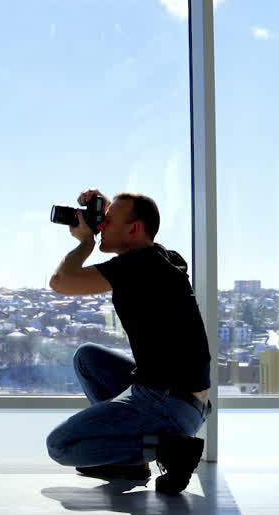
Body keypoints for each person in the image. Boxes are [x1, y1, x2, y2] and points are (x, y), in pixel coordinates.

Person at [44, 189, 210, 494]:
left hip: (166, 401)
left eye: (107, 221)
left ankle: (168, 448)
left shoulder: (140, 265)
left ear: (134, 228)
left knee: (60, 446)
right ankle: (129, 462)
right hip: (188, 402)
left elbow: (61, 282)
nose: (100, 225)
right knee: (88, 358)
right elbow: (132, 228)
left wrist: (85, 242)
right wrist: (107, 210)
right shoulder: (165, 259)